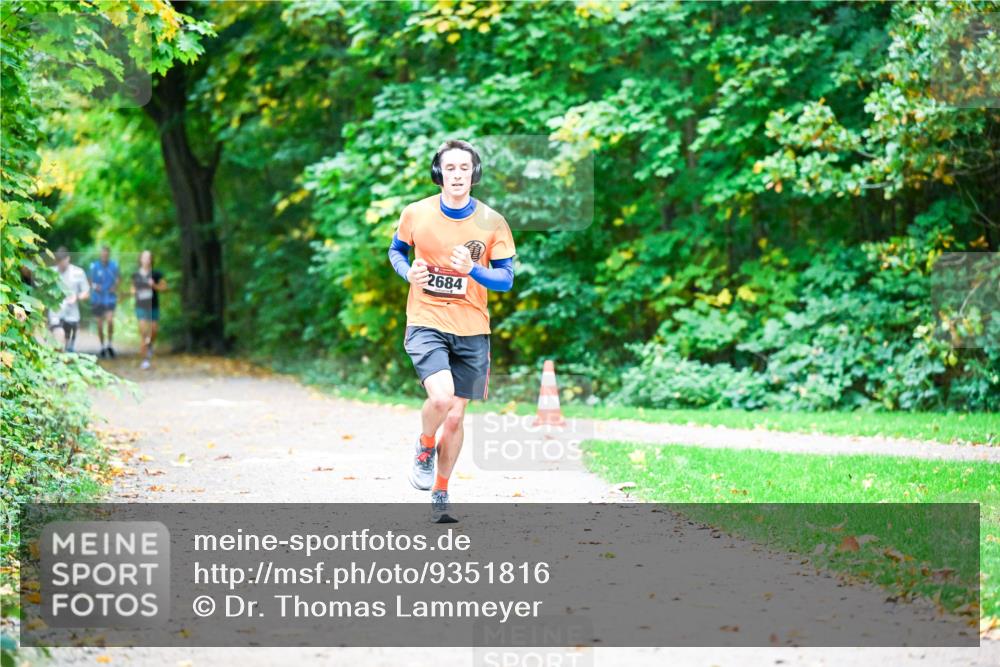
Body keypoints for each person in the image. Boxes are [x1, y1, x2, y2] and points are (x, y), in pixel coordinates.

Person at [388, 139, 516, 522]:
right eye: (450, 168)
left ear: (473, 174)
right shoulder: (416, 213)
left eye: (464, 168)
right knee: (441, 400)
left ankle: (441, 491)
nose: (457, 174)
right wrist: (407, 271)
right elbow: (397, 251)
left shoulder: (492, 222)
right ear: (438, 172)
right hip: (426, 318)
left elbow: (506, 279)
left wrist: (472, 271)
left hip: (473, 328)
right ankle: (425, 445)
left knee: (457, 417)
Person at [47, 247, 90, 353]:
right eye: (59, 261)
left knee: (68, 347)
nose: (61, 264)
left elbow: (86, 293)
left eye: (63, 260)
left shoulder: (78, 272)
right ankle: (58, 363)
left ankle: (64, 361)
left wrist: (77, 297)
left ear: (68, 259)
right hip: (55, 313)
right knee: (59, 338)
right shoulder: (50, 273)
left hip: (72, 315)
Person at [131, 250, 167, 370]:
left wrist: (154, 286)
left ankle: (150, 345)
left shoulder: (156, 274)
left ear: (151, 260)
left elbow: (164, 288)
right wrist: (136, 290)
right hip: (141, 306)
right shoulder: (136, 275)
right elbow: (132, 290)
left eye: (148, 257)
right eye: (144, 257)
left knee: (154, 330)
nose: (146, 260)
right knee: (143, 333)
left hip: (154, 305)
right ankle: (145, 360)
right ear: (140, 259)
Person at [89, 246, 120, 358]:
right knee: (100, 325)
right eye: (103, 254)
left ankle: (110, 344)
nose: (104, 256)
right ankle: (102, 347)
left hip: (110, 298)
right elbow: (90, 281)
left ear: (109, 255)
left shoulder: (114, 265)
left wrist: (115, 286)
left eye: (106, 254)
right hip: (97, 299)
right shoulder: (94, 266)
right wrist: (94, 286)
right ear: (100, 255)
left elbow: (118, 279)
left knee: (110, 321)